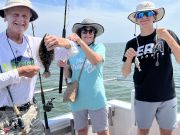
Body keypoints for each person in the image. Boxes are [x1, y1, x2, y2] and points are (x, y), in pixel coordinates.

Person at [0, 0, 78, 134]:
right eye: (15, 14)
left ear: (30, 19)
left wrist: (65, 42)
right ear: (5, 16)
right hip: (4, 116)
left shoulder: (36, 43)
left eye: (25, 16)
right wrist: (19, 72)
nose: (21, 19)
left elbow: (73, 51)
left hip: (32, 111)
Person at [122, 1, 180, 135]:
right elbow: (125, 72)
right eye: (140, 14)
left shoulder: (167, 34)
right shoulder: (131, 43)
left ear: (154, 16)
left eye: (148, 13)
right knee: (142, 131)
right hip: (143, 97)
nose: (144, 17)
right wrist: (129, 58)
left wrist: (168, 38)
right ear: (136, 19)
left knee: (167, 132)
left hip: (167, 96)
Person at [46, 18, 110, 135]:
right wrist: (64, 66)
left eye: (91, 31)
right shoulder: (72, 50)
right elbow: (69, 75)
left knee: (103, 131)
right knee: (81, 130)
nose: (88, 34)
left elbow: (95, 60)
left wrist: (80, 42)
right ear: (80, 33)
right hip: (77, 99)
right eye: (84, 31)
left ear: (94, 34)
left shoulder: (99, 47)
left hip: (96, 98)